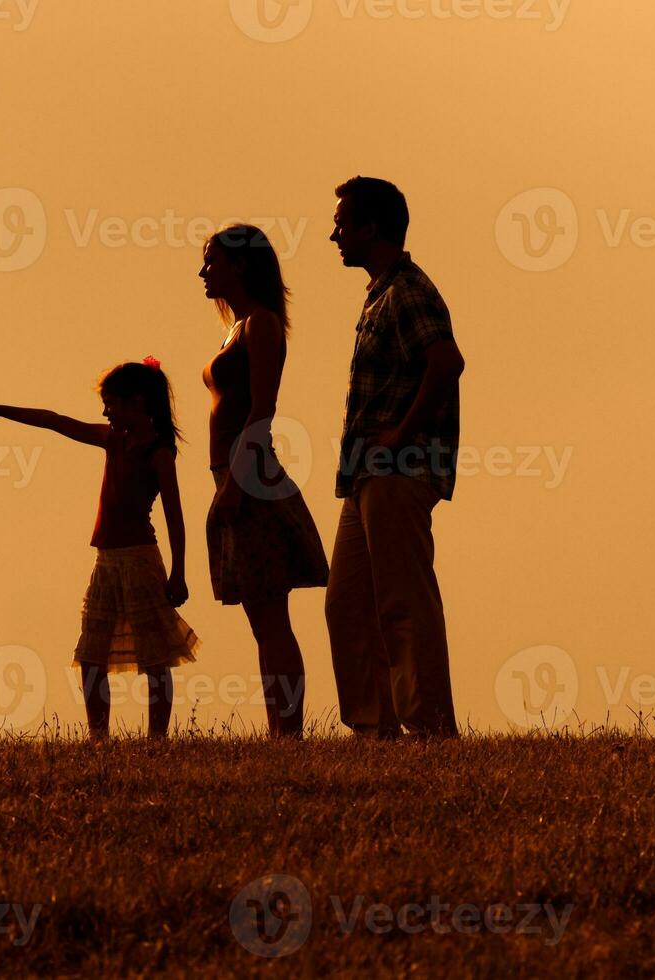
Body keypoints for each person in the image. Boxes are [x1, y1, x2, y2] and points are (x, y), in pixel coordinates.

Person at [0, 358, 198, 740]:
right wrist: (1, 411)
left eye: (111, 403)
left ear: (136, 403)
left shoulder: (158, 453)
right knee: (90, 655)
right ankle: (97, 737)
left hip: (140, 559)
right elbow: (55, 421)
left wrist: (179, 571)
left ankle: (158, 739)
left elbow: (176, 516)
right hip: (107, 560)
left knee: (154, 657)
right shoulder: (112, 440)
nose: (106, 411)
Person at [326, 176, 465, 740]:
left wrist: (403, 437)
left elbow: (447, 363)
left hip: (397, 471)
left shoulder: (408, 289)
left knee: (404, 602)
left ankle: (429, 728)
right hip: (367, 474)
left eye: (343, 223)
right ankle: (373, 728)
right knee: (347, 603)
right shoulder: (381, 291)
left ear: (371, 227)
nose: (334, 234)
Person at [199, 224, 329, 739]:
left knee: (272, 616)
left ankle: (289, 732)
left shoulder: (263, 324)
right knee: (260, 614)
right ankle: (280, 729)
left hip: (251, 475)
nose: (204, 272)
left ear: (242, 265)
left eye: (213, 261)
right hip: (232, 474)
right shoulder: (237, 327)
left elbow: (263, 408)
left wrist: (235, 483)